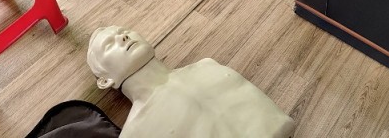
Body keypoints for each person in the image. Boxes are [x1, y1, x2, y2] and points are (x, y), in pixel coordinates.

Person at [86, 26, 295, 138]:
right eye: (109, 44)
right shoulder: (135, 133)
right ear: (104, 80)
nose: (123, 37)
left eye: (124, 32)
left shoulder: (207, 66)